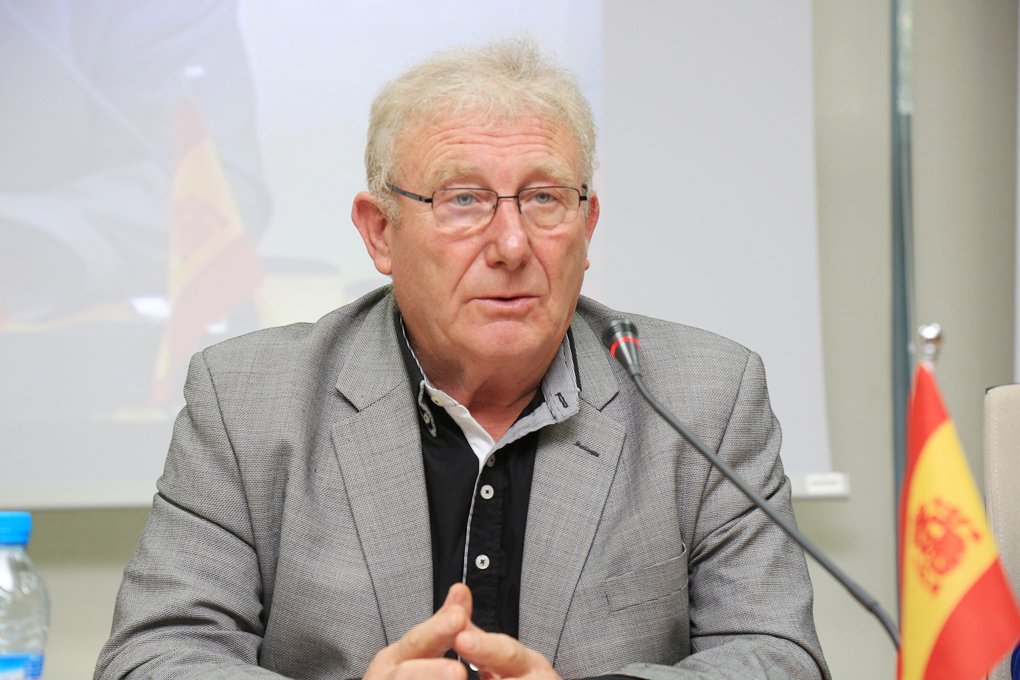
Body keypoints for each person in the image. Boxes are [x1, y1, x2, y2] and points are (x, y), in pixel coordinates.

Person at [95, 39, 830, 680]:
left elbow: (778, 658)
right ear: (380, 232)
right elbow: (152, 657)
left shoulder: (703, 399)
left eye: (544, 199)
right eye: (464, 199)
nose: (511, 245)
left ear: (587, 226)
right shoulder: (249, 403)